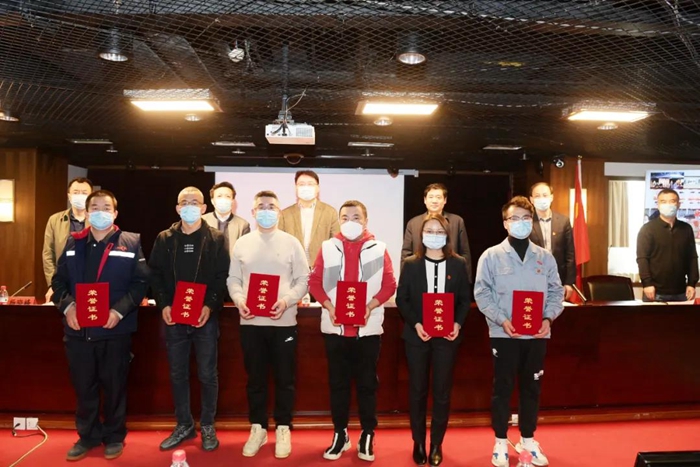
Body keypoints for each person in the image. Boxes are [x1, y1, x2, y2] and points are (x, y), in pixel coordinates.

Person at [51, 190, 150, 461]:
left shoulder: (130, 242)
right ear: (87, 212)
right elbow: (58, 281)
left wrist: (119, 311)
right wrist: (68, 307)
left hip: (114, 329)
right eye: (94, 207)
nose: (100, 212)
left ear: (115, 213)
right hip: (78, 330)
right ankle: (87, 436)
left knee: (115, 386)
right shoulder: (73, 242)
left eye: (106, 208)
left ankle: (114, 436)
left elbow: (141, 283)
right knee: (84, 386)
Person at [474, 196, 564, 467]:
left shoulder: (545, 257)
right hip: (504, 335)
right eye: (515, 218)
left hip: (537, 335)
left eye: (526, 218)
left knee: (532, 388)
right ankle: (500, 441)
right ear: (505, 223)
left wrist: (548, 318)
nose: (521, 223)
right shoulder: (491, 255)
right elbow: (481, 293)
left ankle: (528, 439)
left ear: (532, 222)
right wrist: (501, 319)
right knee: (502, 388)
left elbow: (556, 292)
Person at [308, 200, 397, 462]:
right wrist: (329, 306)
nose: (350, 222)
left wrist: (370, 306)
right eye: (345, 217)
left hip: (367, 330)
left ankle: (368, 433)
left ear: (366, 221)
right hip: (335, 329)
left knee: (367, 384)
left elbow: (389, 285)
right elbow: (314, 282)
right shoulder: (328, 247)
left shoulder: (379, 248)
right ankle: (340, 433)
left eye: (356, 217)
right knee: (338, 384)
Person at [227, 190, 310, 459]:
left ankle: (283, 427)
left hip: (284, 323)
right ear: (253, 212)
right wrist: (239, 299)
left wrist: (286, 301)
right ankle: (258, 427)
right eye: (261, 207)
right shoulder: (242, 243)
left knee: (285, 378)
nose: (266, 210)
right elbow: (233, 279)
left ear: (279, 211)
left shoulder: (291, 243)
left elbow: (303, 279)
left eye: (271, 206)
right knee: (255, 379)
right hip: (251, 322)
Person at [149, 187, 230, 452]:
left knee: (207, 373)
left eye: (195, 202)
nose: (190, 206)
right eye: (184, 202)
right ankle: (183, 424)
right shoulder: (165, 238)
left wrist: (210, 306)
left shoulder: (216, 238)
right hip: (174, 318)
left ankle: (207, 424)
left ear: (204, 208)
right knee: (177, 373)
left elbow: (222, 276)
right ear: (177, 208)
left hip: (205, 318)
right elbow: (155, 274)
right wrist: (163, 304)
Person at [396, 214, 471, 466]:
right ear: (421, 235)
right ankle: (418, 442)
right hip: (417, 337)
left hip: (446, 338)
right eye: (429, 231)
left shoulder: (458, 263)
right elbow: (402, 299)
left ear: (447, 236)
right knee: (417, 391)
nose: (434, 236)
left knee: (441, 392)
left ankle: (437, 443)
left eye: (440, 232)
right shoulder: (411, 264)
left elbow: (464, 300)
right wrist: (416, 324)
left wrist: (457, 324)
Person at [637, 188, 698, 302]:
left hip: (681, 291)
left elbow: (692, 258)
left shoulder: (686, 229)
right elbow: (642, 258)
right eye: (663, 202)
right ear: (658, 205)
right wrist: (647, 283)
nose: (668, 205)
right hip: (654, 292)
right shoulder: (648, 229)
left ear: (678, 204)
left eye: (672, 201)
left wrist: (692, 283)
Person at [401, 183, 472, 282]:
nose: (434, 201)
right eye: (431, 197)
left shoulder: (457, 221)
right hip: (420, 276)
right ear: (425, 200)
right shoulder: (413, 223)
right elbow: (406, 254)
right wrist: (404, 280)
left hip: (450, 277)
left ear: (445, 200)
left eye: (438, 197)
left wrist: (465, 280)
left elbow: (465, 253)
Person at [43, 177, 94, 303]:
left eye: (84, 193)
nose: (80, 196)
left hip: (91, 282)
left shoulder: (97, 220)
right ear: (69, 196)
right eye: (76, 192)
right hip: (63, 282)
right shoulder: (55, 220)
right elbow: (48, 254)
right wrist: (52, 285)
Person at [278, 170, 340, 266]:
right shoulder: (285, 214)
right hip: (293, 267)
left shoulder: (330, 212)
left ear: (318, 188)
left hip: (321, 267)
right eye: (301, 184)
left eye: (310, 184)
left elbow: (337, 243)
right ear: (296, 188)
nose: (306, 187)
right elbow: (280, 244)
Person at [528, 182, 575, 301]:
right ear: (531, 200)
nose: (541, 199)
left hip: (557, 279)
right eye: (537, 196)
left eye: (545, 195)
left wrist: (569, 283)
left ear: (551, 197)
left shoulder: (563, 221)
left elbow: (570, 254)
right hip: (532, 280)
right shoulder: (526, 221)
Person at [202, 181, 250, 258]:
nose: (223, 199)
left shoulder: (243, 225)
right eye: (219, 196)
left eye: (227, 196)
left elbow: (245, 253)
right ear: (212, 201)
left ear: (233, 201)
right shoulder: (202, 221)